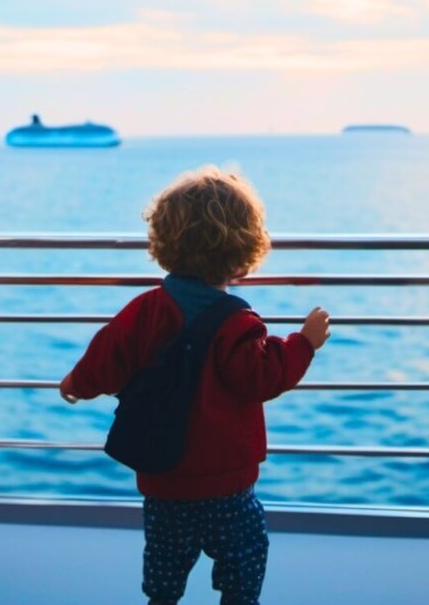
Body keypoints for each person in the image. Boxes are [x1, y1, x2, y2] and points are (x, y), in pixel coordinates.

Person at [60, 166, 330, 604]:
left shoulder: (144, 311)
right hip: (227, 487)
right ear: (243, 251)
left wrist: (77, 382)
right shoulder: (237, 324)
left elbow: (106, 356)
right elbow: (264, 375)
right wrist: (304, 342)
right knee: (243, 559)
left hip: (163, 481)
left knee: (165, 569)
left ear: (165, 242)